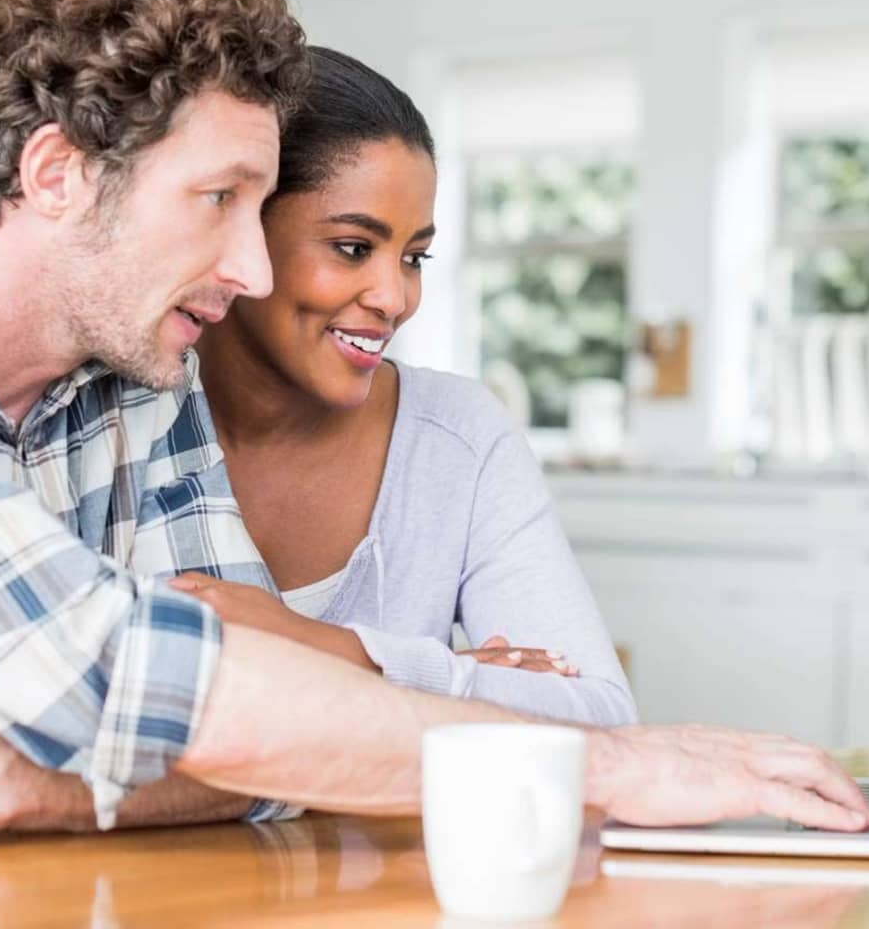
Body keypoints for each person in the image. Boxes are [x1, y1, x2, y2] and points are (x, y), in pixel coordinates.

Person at [0, 0, 869, 851]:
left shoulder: (128, 379)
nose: (252, 271)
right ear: (56, 173)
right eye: (219, 202)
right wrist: (610, 766)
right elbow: (136, 685)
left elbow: (265, 738)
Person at [166, 46, 634, 727]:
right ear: (241, 227)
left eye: (414, 257)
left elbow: (598, 718)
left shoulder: (459, 437)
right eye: (354, 247)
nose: (395, 297)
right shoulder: (122, 416)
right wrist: (461, 682)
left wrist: (326, 646)